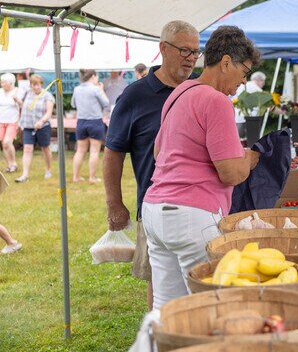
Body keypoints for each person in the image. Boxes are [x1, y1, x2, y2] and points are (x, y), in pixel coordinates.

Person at [142, 25, 260, 309]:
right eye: (243, 72)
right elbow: (231, 174)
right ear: (226, 62)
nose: (243, 81)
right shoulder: (217, 101)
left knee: (166, 308)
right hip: (192, 216)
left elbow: (160, 153)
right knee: (209, 307)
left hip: (155, 212)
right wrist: (249, 159)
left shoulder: (180, 92)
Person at [104, 20, 200, 311]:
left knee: (198, 282)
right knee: (159, 284)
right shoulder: (135, 95)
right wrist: (114, 204)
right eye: (185, 50)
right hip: (154, 207)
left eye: (196, 52)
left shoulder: (198, 91)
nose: (191, 58)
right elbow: (113, 152)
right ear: (163, 49)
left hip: (198, 206)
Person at [71, 69, 110, 183]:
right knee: (94, 151)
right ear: (93, 76)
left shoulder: (77, 89)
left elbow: (73, 104)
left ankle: (75, 177)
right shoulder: (96, 89)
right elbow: (106, 103)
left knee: (80, 150)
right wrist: (101, 90)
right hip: (95, 122)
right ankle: (92, 177)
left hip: (81, 121)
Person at [14, 74, 54, 183]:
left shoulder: (47, 95)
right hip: (28, 126)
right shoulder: (27, 93)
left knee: (45, 148)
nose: (35, 87)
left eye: (37, 85)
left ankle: (48, 170)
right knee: (27, 149)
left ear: (41, 84)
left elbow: (49, 112)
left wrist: (41, 121)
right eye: (33, 85)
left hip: (43, 127)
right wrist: (17, 101)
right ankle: (25, 175)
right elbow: (24, 105)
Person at [234, 71, 266, 138]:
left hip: (237, 118)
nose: (263, 84)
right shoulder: (256, 88)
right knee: (251, 141)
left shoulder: (243, 85)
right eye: (263, 81)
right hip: (250, 120)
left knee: (240, 140)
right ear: (260, 80)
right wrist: (282, 111)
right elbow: (267, 101)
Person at [0, 73, 21, 173]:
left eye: (4, 82)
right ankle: (9, 165)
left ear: (10, 83)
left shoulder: (17, 91)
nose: (2, 84)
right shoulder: (0, 92)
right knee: (3, 144)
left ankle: (14, 163)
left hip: (12, 121)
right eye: (2, 82)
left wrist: (17, 100)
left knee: (7, 142)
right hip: (1, 121)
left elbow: (23, 105)